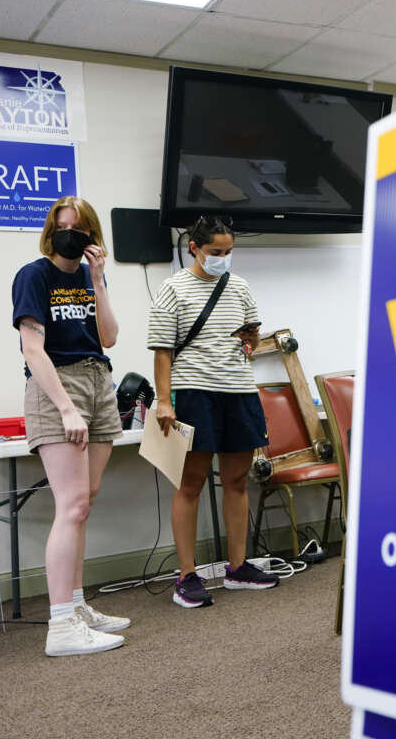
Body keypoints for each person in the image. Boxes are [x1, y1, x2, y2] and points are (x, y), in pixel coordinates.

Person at [11, 196, 129, 657]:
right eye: (63, 227)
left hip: (100, 379)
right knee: (72, 505)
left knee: (87, 501)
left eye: (79, 228)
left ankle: (77, 605)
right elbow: (32, 350)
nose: (71, 234)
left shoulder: (88, 275)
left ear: (91, 235)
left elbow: (110, 337)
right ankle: (61, 625)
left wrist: (98, 280)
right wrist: (65, 408)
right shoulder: (34, 275)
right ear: (50, 230)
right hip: (57, 385)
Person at [147, 215, 279, 608]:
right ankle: (186, 575)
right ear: (194, 248)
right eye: (215, 252)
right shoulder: (172, 288)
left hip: (237, 391)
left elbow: (251, 334)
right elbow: (162, 350)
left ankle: (237, 567)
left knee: (237, 480)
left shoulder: (239, 288)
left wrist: (250, 339)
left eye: (228, 252)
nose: (223, 258)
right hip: (193, 393)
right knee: (190, 484)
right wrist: (164, 400)